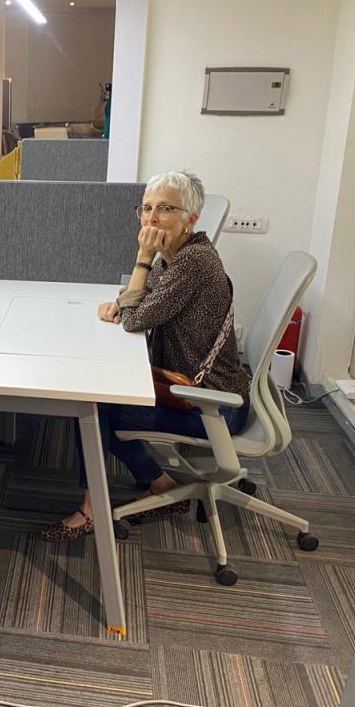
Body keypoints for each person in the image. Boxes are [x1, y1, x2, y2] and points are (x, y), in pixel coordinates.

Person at [41, 170, 250, 542]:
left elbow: (135, 317)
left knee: (93, 411)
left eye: (165, 208)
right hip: (183, 389)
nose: (151, 218)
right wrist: (124, 298)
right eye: (146, 208)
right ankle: (160, 484)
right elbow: (132, 298)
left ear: (191, 218)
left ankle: (92, 510)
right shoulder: (176, 256)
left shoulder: (194, 262)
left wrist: (141, 258)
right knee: (100, 407)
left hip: (212, 405)